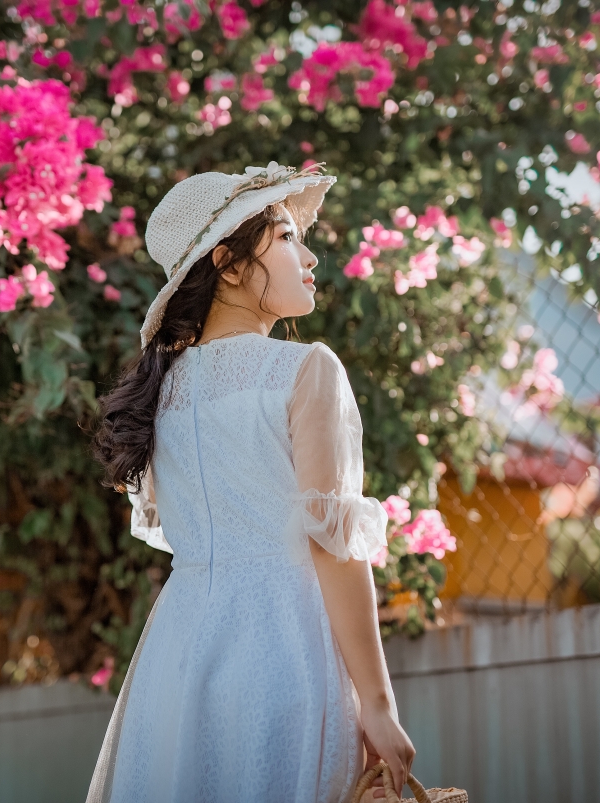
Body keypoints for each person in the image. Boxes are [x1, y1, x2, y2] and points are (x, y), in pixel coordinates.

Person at [89, 162, 415, 803]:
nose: (312, 255)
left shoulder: (162, 393)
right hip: (287, 649)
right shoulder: (304, 370)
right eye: (289, 237)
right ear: (230, 265)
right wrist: (377, 703)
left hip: (177, 661)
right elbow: (333, 545)